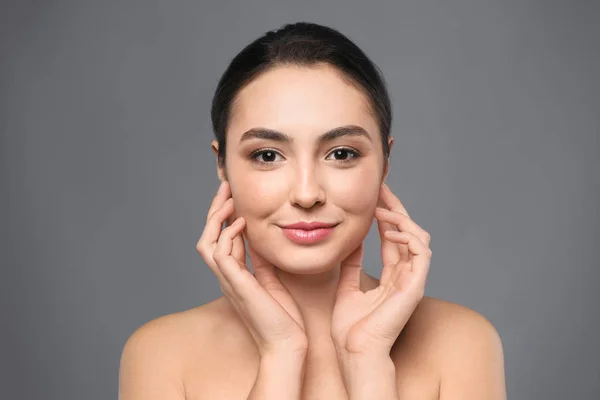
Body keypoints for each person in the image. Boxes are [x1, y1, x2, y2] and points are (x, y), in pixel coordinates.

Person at [118, 22, 506, 399]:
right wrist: (280, 356)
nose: (307, 194)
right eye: (267, 155)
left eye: (341, 153)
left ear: (385, 162)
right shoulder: (161, 354)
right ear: (223, 166)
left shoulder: (462, 343)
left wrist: (368, 363)